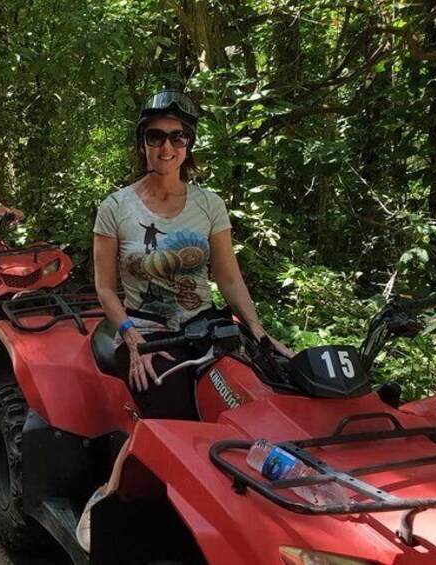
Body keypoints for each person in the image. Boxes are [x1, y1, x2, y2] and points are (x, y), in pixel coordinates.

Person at [75, 89, 292, 553]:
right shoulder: (116, 207)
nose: (166, 146)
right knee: (172, 416)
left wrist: (260, 333)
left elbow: (229, 279)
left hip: (207, 325)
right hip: (148, 332)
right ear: (143, 142)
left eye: (177, 136)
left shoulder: (209, 203)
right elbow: (105, 287)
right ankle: (110, 495)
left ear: (189, 144)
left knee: (256, 404)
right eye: (156, 136)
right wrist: (130, 334)